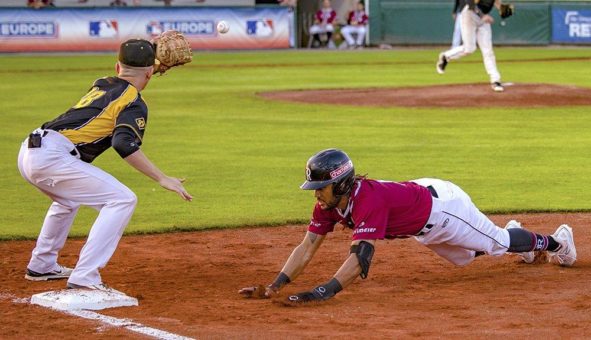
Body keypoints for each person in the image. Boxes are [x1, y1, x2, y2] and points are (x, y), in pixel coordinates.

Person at [239, 149, 576, 304]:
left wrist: (323, 291)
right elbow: (307, 245)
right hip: (422, 224)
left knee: (497, 243)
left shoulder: (368, 201)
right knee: (464, 258)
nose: (316, 195)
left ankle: (555, 243)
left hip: (444, 208)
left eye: (320, 188)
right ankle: (508, 236)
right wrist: (276, 285)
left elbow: (360, 258)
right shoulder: (329, 204)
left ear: (340, 184)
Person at [18, 39, 192, 292]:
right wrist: (161, 178)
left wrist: (148, 55)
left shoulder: (104, 82)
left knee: (67, 200)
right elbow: (124, 144)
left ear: (117, 66)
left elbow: (130, 68)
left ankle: (42, 265)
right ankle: (85, 276)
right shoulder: (133, 102)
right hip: (53, 158)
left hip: (30, 151)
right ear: (150, 71)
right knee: (122, 199)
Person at [436, 0, 505, 92]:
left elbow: (497, 2)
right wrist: (482, 16)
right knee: (469, 49)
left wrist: (504, 9)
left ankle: (495, 80)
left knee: (488, 50)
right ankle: (446, 56)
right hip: (469, 15)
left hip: (483, 20)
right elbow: (470, 3)